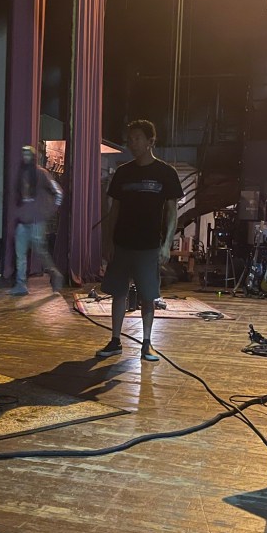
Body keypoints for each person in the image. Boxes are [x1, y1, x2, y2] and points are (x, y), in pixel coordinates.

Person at [95, 119, 183, 361]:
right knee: (118, 292)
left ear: (150, 141)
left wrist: (167, 244)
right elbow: (114, 210)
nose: (132, 144)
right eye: (130, 139)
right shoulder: (123, 172)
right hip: (122, 243)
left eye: (137, 139)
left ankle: (147, 343)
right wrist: (108, 241)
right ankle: (115, 340)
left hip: (149, 245)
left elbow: (172, 212)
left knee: (147, 295)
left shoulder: (166, 173)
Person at [10, 145, 64, 296]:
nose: (25, 157)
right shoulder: (21, 173)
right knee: (20, 254)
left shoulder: (41, 173)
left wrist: (50, 210)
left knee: (40, 252)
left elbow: (58, 192)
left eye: (28, 155)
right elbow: (20, 197)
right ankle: (21, 284)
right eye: (24, 155)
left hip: (36, 220)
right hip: (23, 219)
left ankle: (55, 275)